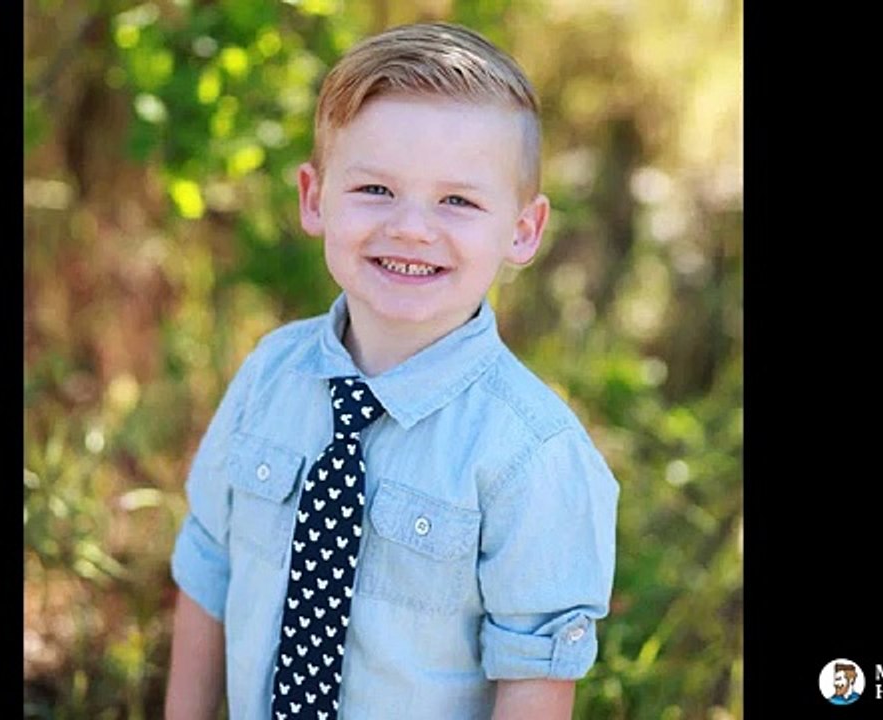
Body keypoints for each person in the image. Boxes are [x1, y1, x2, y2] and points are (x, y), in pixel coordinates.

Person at [164, 21, 619, 720]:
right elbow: (207, 572)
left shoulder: (532, 455)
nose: (411, 227)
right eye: (375, 188)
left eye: (458, 200)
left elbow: (533, 680)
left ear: (523, 230)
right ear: (314, 198)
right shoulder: (268, 377)